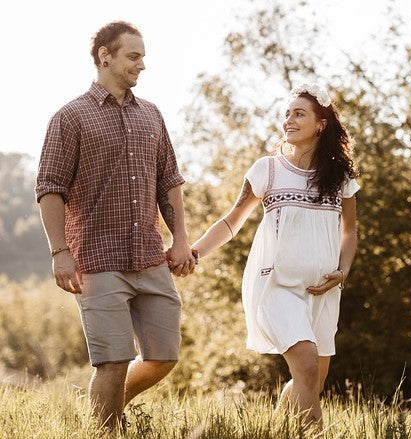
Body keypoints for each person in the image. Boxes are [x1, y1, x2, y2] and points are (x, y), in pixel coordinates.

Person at [35, 21, 195, 430]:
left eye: (142, 56)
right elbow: (50, 189)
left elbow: (170, 182)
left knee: (164, 356)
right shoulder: (69, 117)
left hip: (148, 254)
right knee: (113, 359)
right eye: (133, 56)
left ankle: (103, 412)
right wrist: (59, 251)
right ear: (105, 56)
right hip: (96, 258)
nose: (142, 65)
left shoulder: (152, 115)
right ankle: (102, 429)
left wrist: (180, 240)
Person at [187, 83, 359, 428]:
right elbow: (231, 222)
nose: (288, 121)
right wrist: (193, 253)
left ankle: (278, 427)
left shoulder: (339, 177)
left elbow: (350, 231)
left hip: (323, 290)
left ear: (321, 123)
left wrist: (343, 270)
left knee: (311, 381)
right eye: (287, 114)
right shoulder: (268, 169)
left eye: (299, 114)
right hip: (275, 286)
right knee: (307, 365)